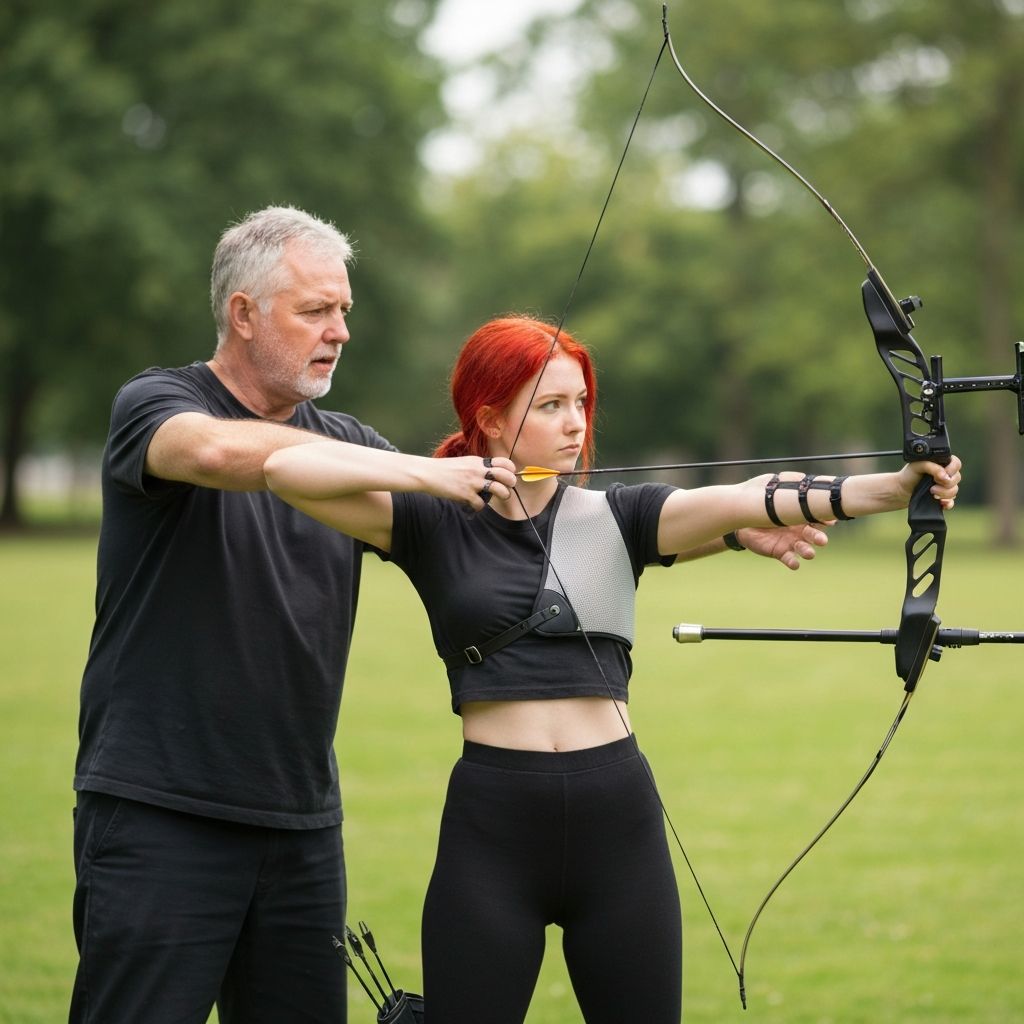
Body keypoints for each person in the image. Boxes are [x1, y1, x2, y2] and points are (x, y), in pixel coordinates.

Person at [263, 314, 962, 1024]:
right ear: (491, 419)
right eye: (551, 404)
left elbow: (752, 497)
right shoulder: (428, 522)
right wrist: (434, 475)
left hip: (618, 824)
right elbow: (283, 469)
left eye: (581, 403)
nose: (576, 423)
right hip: (493, 828)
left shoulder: (619, 517)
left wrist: (892, 487)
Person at [70, 205, 497, 1024]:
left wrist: (733, 521)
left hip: (301, 828)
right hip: (160, 812)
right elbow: (218, 454)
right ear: (243, 313)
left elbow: (492, 535)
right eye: (315, 311)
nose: (338, 330)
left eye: (343, 310)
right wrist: (412, 466)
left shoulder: (347, 442)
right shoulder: (155, 404)